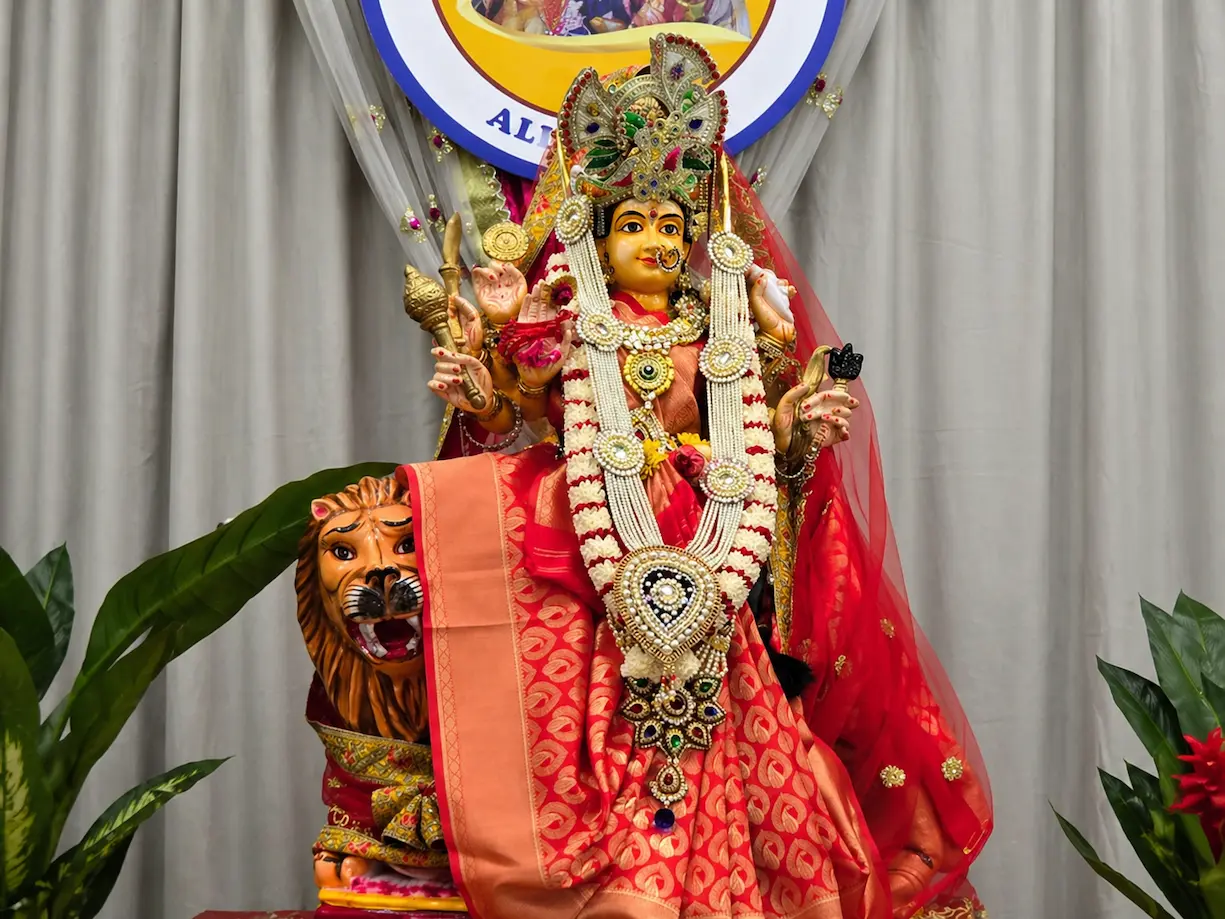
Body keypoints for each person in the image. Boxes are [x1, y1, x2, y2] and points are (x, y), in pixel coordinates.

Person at [402, 33, 992, 919]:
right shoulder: (563, 326)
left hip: (714, 559)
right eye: (632, 224)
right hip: (590, 558)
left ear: (694, 244)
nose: (654, 241)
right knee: (582, 733)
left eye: (671, 226)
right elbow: (518, 424)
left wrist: (795, 419)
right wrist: (487, 381)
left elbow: (768, 448)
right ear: (597, 239)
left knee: (744, 737)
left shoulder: (723, 337)